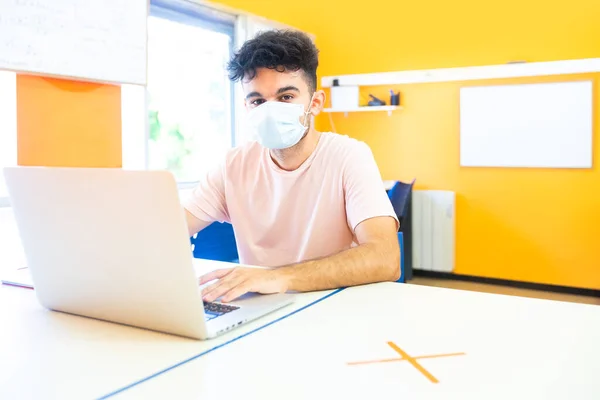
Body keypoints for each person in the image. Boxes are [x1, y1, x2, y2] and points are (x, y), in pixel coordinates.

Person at [184, 29, 400, 303]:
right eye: (258, 101)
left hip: (334, 307)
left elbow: (385, 258)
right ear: (247, 107)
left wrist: (277, 277)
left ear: (315, 103)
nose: (270, 110)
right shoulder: (234, 165)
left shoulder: (349, 156)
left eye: (286, 97)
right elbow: (169, 228)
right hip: (259, 309)